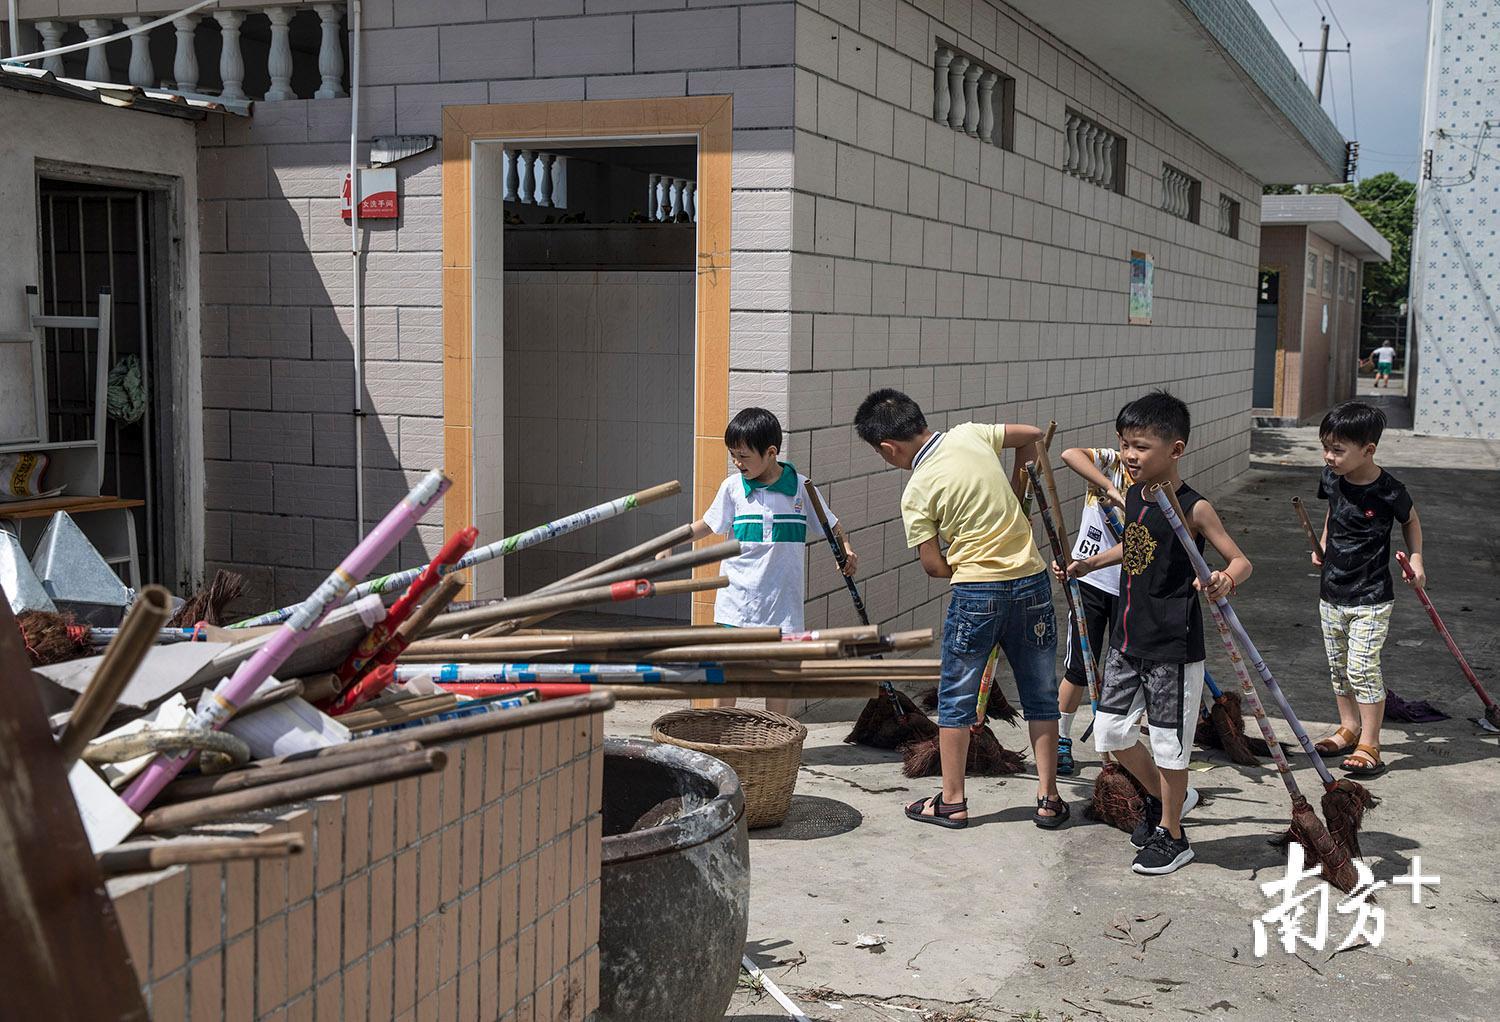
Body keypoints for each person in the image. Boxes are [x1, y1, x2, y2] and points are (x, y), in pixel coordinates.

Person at [853, 388, 1066, 831]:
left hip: (976, 594)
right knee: (1041, 694)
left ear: (889, 448)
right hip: (1031, 582)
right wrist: (1015, 489)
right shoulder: (971, 433)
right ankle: (1048, 798)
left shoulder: (916, 490)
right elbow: (1030, 435)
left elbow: (933, 566)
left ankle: (952, 801)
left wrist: (969, 561)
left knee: (956, 699)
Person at [1058, 391, 1252, 875]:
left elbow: (1241, 560)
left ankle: (1174, 835)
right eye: (1124, 444)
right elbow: (1134, 546)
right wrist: (1089, 563)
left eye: (1140, 446)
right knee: (1111, 732)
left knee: (1170, 746)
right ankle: (1162, 800)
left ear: (1176, 449)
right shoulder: (1137, 495)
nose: (1128, 455)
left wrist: (1224, 579)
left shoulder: (1195, 507)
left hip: (1172, 648)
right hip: (1127, 640)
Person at [670, 407, 857, 715]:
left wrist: (847, 550)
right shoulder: (733, 489)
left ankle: (776, 743)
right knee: (728, 675)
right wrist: (673, 541)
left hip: (782, 605)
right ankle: (721, 732)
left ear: (771, 453)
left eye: (743, 456)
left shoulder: (801, 487)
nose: (736, 462)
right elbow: (707, 524)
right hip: (737, 602)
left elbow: (832, 526)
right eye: (733, 455)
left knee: (780, 678)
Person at [1309, 402, 1423, 778]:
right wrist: (1323, 545)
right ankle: (1348, 727)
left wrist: (1417, 560)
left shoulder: (1389, 490)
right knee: (1338, 667)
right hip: (1332, 591)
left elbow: (1411, 521)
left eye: (1338, 450)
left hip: (1372, 595)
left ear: (1368, 450)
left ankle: (1371, 742)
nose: (1329, 456)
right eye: (1325, 446)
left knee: (1361, 667)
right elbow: (1332, 512)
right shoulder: (1330, 478)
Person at [1055, 443, 1133, 774]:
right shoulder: (1111, 464)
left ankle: (1123, 746)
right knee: (1079, 668)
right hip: (1089, 583)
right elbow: (1069, 454)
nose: (1132, 453)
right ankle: (1061, 738)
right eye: (1127, 443)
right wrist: (1110, 487)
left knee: (1125, 671)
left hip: (1130, 588)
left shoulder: (1158, 488)